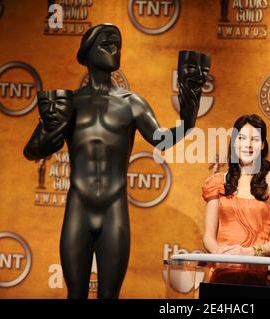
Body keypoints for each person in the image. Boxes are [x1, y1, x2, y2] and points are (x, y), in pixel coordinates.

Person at [24, 23, 210, 299]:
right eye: (107, 43)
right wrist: (51, 127)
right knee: (75, 293)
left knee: (110, 294)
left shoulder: (132, 103)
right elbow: (32, 151)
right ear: (87, 53)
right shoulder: (69, 103)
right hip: (79, 208)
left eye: (118, 44)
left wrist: (189, 118)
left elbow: (161, 139)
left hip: (114, 211)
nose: (115, 49)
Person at [202, 114, 270, 286]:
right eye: (242, 138)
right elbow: (208, 236)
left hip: (258, 275)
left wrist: (249, 253)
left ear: (262, 145)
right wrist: (222, 256)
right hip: (223, 274)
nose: (248, 145)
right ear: (234, 142)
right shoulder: (218, 181)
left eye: (255, 139)